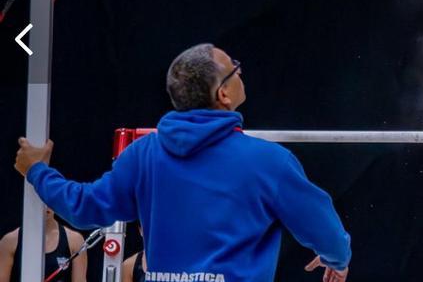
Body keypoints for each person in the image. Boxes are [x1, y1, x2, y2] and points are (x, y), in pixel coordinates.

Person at [14, 43, 351, 282]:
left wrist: (37, 171)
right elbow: (328, 232)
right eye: (235, 67)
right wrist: (337, 258)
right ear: (223, 94)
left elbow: (83, 208)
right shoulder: (269, 162)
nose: (239, 70)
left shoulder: (142, 156)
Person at [0, 208, 87, 282]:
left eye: (47, 198)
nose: (44, 206)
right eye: (40, 199)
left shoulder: (75, 240)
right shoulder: (9, 241)